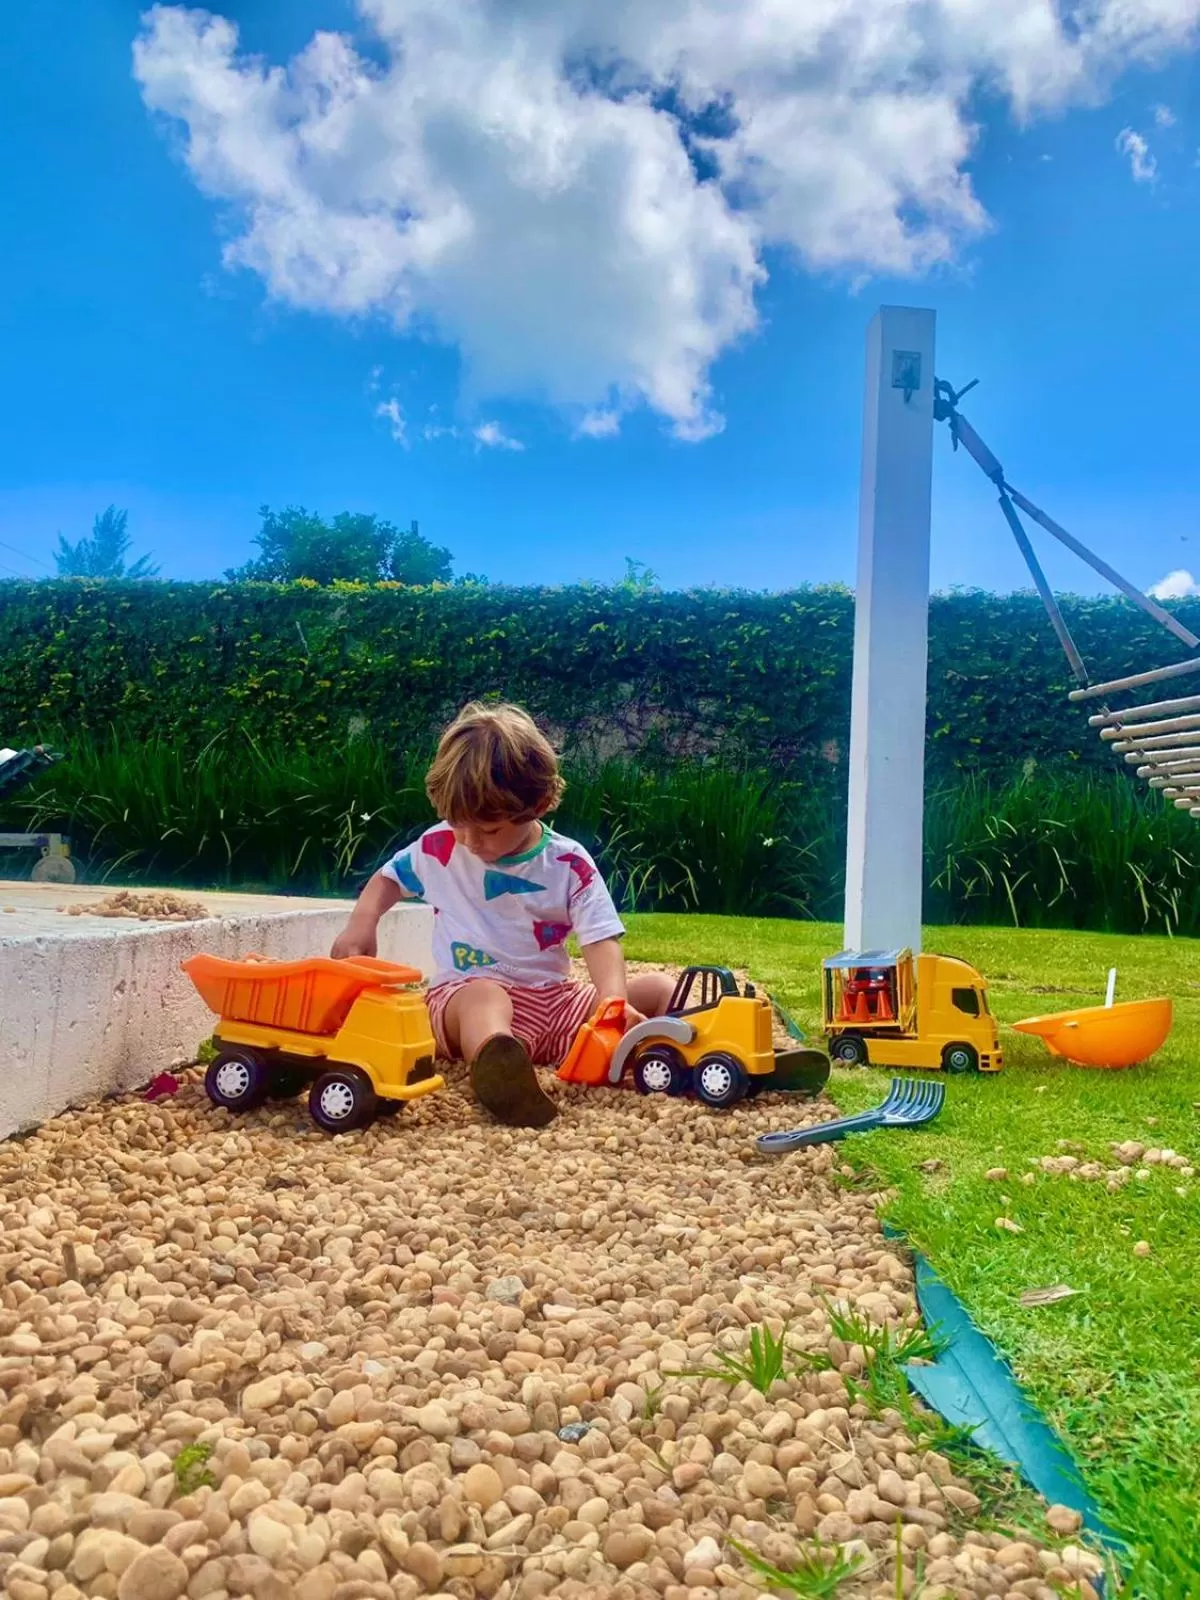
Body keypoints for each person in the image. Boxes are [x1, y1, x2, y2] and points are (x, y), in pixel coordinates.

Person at [332, 701, 674, 1126]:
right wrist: (362, 923)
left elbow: (600, 938)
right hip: (463, 997)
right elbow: (387, 879)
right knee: (486, 999)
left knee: (660, 988)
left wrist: (611, 1003)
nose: (471, 841)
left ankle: (691, 1047)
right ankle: (496, 1067)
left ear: (541, 802)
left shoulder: (568, 863)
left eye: (489, 829)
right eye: (458, 824)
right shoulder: (440, 847)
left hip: (552, 1003)